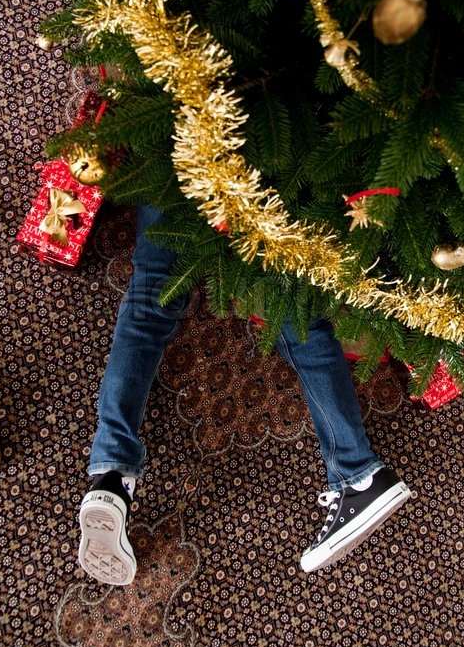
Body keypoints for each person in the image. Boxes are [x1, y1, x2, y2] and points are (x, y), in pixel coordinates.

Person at [78, 205, 410, 585]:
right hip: (255, 170)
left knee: (149, 295)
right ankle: (359, 474)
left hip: (175, 153)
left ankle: (112, 475)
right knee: (290, 305)